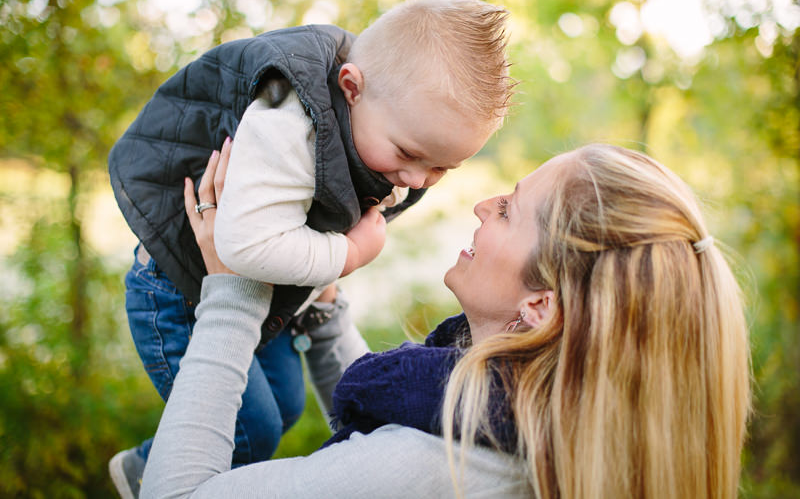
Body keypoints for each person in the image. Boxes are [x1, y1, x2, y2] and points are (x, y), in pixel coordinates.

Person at [139, 143, 751, 499]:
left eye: (509, 210)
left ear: (539, 306)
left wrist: (233, 292)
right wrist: (323, 308)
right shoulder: (558, 431)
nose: (484, 204)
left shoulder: (428, 470)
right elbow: (418, 411)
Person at [107, 0, 513, 490]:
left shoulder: (384, 123)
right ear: (352, 88)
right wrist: (347, 254)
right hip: (176, 284)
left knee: (285, 402)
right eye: (408, 153)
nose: (416, 178)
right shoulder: (288, 118)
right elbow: (241, 246)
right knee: (252, 428)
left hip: (263, 288)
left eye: (441, 167)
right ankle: (147, 469)